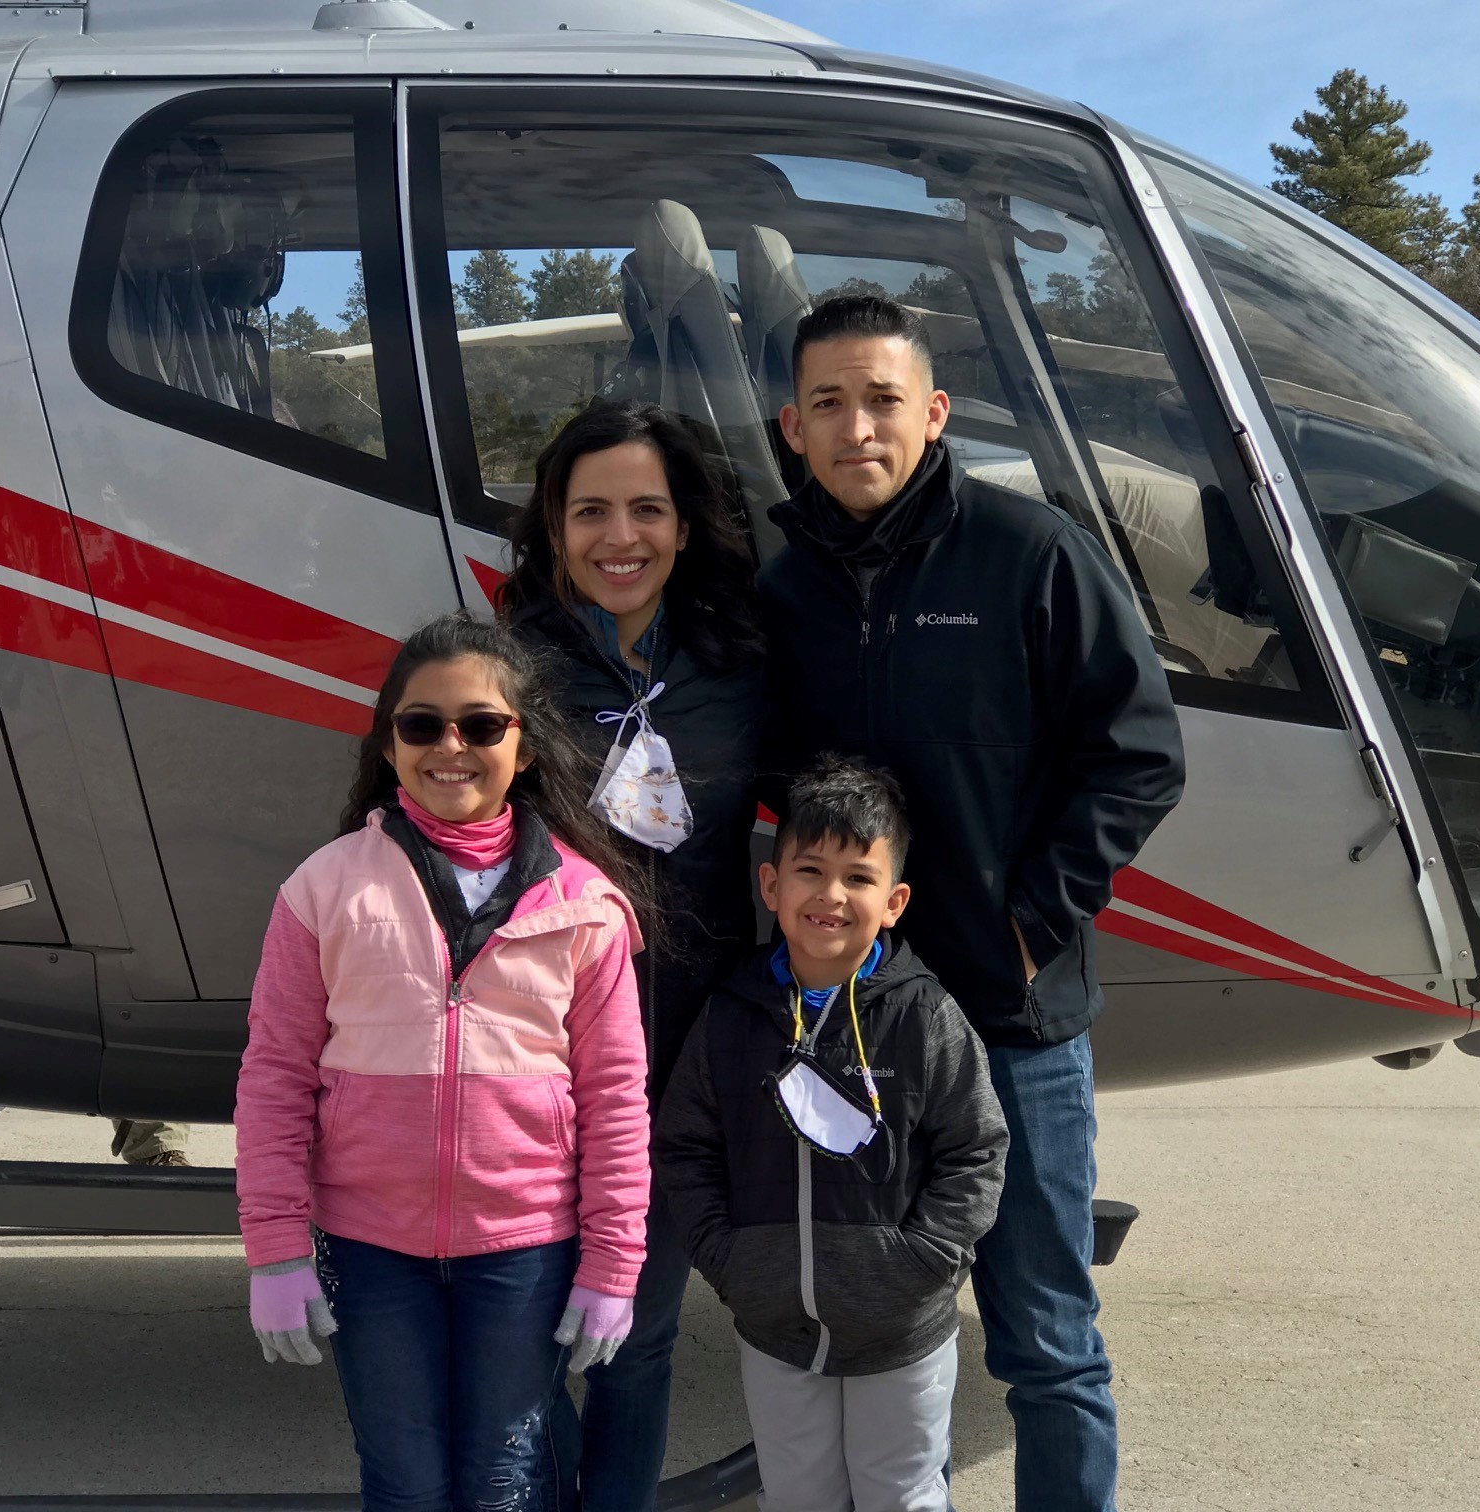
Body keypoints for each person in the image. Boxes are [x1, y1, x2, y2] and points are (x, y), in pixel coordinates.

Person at [758, 295, 1185, 1512]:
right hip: (858, 1030)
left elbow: (1141, 752)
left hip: (1015, 1021)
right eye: (828, 405)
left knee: (1047, 1341)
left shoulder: (1030, 552)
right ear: (793, 428)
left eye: (883, 399)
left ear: (932, 412)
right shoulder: (784, 593)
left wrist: (1029, 920)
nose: (857, 428)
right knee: (894, 1346)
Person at [234, 613, 654, 1512]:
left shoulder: (586, 907)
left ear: (526, 745)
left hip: (527, 1249)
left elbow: (618, 1097)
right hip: (372, 1250)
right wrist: (275, 1250)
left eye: (481, 725)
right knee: (406, 1483)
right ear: (389, 743)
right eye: (421, 724)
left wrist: (614, 1265)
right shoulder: (324, 890)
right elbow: (275, 1075)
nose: (449, 747)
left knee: (507, 1477)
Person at [501, 402, 764, 1512]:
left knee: (638, 1336)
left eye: (647, 509)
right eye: (591, 511)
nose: (622, 537)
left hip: (680, 1054)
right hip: (530, 1059)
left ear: (686, 524)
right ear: (554, 530)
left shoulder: (744, 667)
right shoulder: (504, 674)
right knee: (522, 1344)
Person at [655, 756, 1008, 1512]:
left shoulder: (925, 1016)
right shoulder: (731, 1015)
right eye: (810, 871)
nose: (832, 895)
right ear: (771, 886)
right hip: (774, 1326)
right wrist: (730, 1259)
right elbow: (684, 1145)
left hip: (901, 1330)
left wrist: (924, 1264)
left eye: (858, 877)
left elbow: (976, 1148)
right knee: (797, 1498)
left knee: (902, 1496)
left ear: (895, 902)